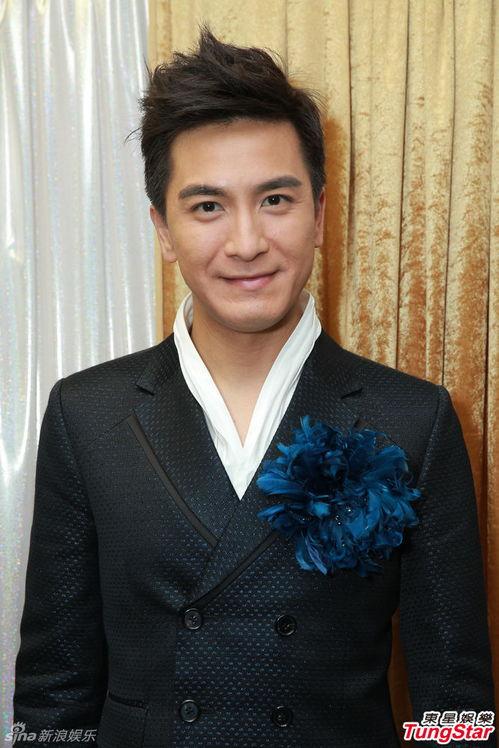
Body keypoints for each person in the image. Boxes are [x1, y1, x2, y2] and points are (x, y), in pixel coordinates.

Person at [13, 25, 496, 748]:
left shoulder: (412, 418)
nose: (246, 243)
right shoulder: (87, 415)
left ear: (320, 215)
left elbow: (454, 707)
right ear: (163, 230)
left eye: (275, 199)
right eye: (207, 206)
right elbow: (55, 696)